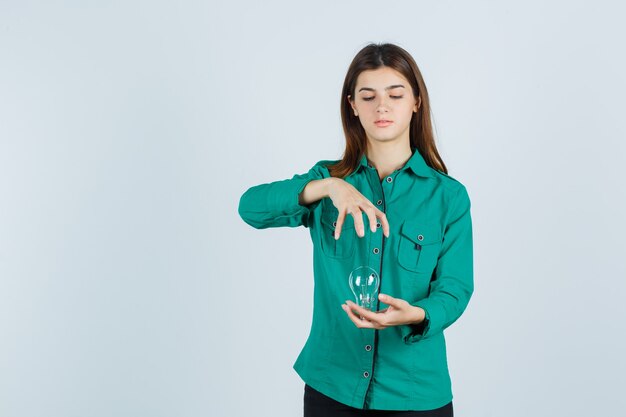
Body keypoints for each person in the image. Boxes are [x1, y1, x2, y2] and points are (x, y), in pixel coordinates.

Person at [238, 42, 473, 417]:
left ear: (416, 102)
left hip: (414, 392)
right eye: (368, 96)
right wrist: (327, 187)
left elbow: (456, 288)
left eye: (395, 94)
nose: (382, 106)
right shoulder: (328, 181)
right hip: (332, 385)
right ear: (352, 105)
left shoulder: (448, 197)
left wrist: (416, 314)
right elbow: (250, 207)